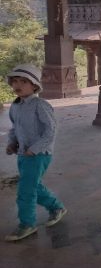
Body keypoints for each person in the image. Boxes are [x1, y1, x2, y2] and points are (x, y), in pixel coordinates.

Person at [4, 64, 67, 242]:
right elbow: (15, 128)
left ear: (34, 86)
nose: (18, 85)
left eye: (24, 81)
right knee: (33, 186)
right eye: (15, 81)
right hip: (23, 154)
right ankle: (56, 208)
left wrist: (35, 148)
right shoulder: (15, 106)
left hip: (39, 155)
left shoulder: (41, 105)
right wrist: (12, 143)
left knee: (26, 190)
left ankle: (27, 223)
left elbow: (51, 130)